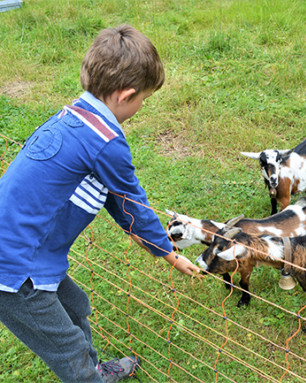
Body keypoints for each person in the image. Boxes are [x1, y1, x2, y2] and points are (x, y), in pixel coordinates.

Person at [0, 25, 199, 382]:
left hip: (27, 250)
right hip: (14, 270)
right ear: (126, 95)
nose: (142, 107)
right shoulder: (106, 141)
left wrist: (158, 248)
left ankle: (92, 373)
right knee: (68, 348)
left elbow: (114, 198)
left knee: (75, 308)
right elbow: (133, 203)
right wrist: (169, 253)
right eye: (144, 100)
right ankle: (87, 375)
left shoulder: (72, 117)